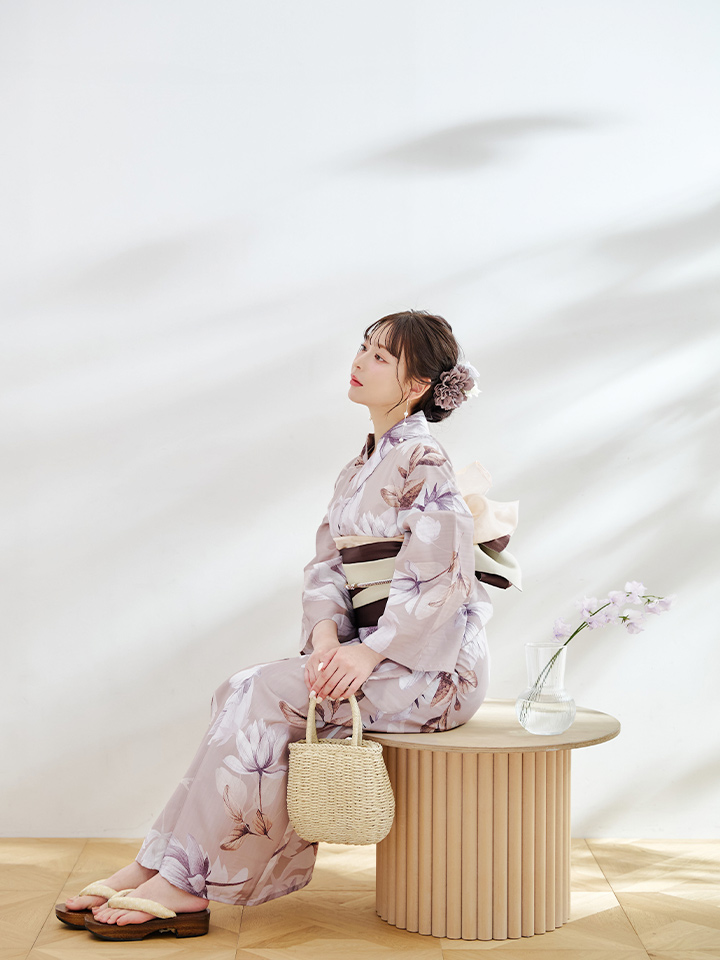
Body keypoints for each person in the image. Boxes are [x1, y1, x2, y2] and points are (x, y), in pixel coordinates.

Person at [56, 309, 514, 941]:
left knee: (259, 690)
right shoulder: (358, 466)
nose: (360, 361)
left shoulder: (424, 457)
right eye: (364, 347)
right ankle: (160, 861)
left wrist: (371, 653)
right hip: (373, 652)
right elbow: (327, 566)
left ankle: (187, 885)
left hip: (432, 670)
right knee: (238, 687)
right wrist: (326, 637)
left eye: (381, 356)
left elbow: (442, 575)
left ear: (415, 386)